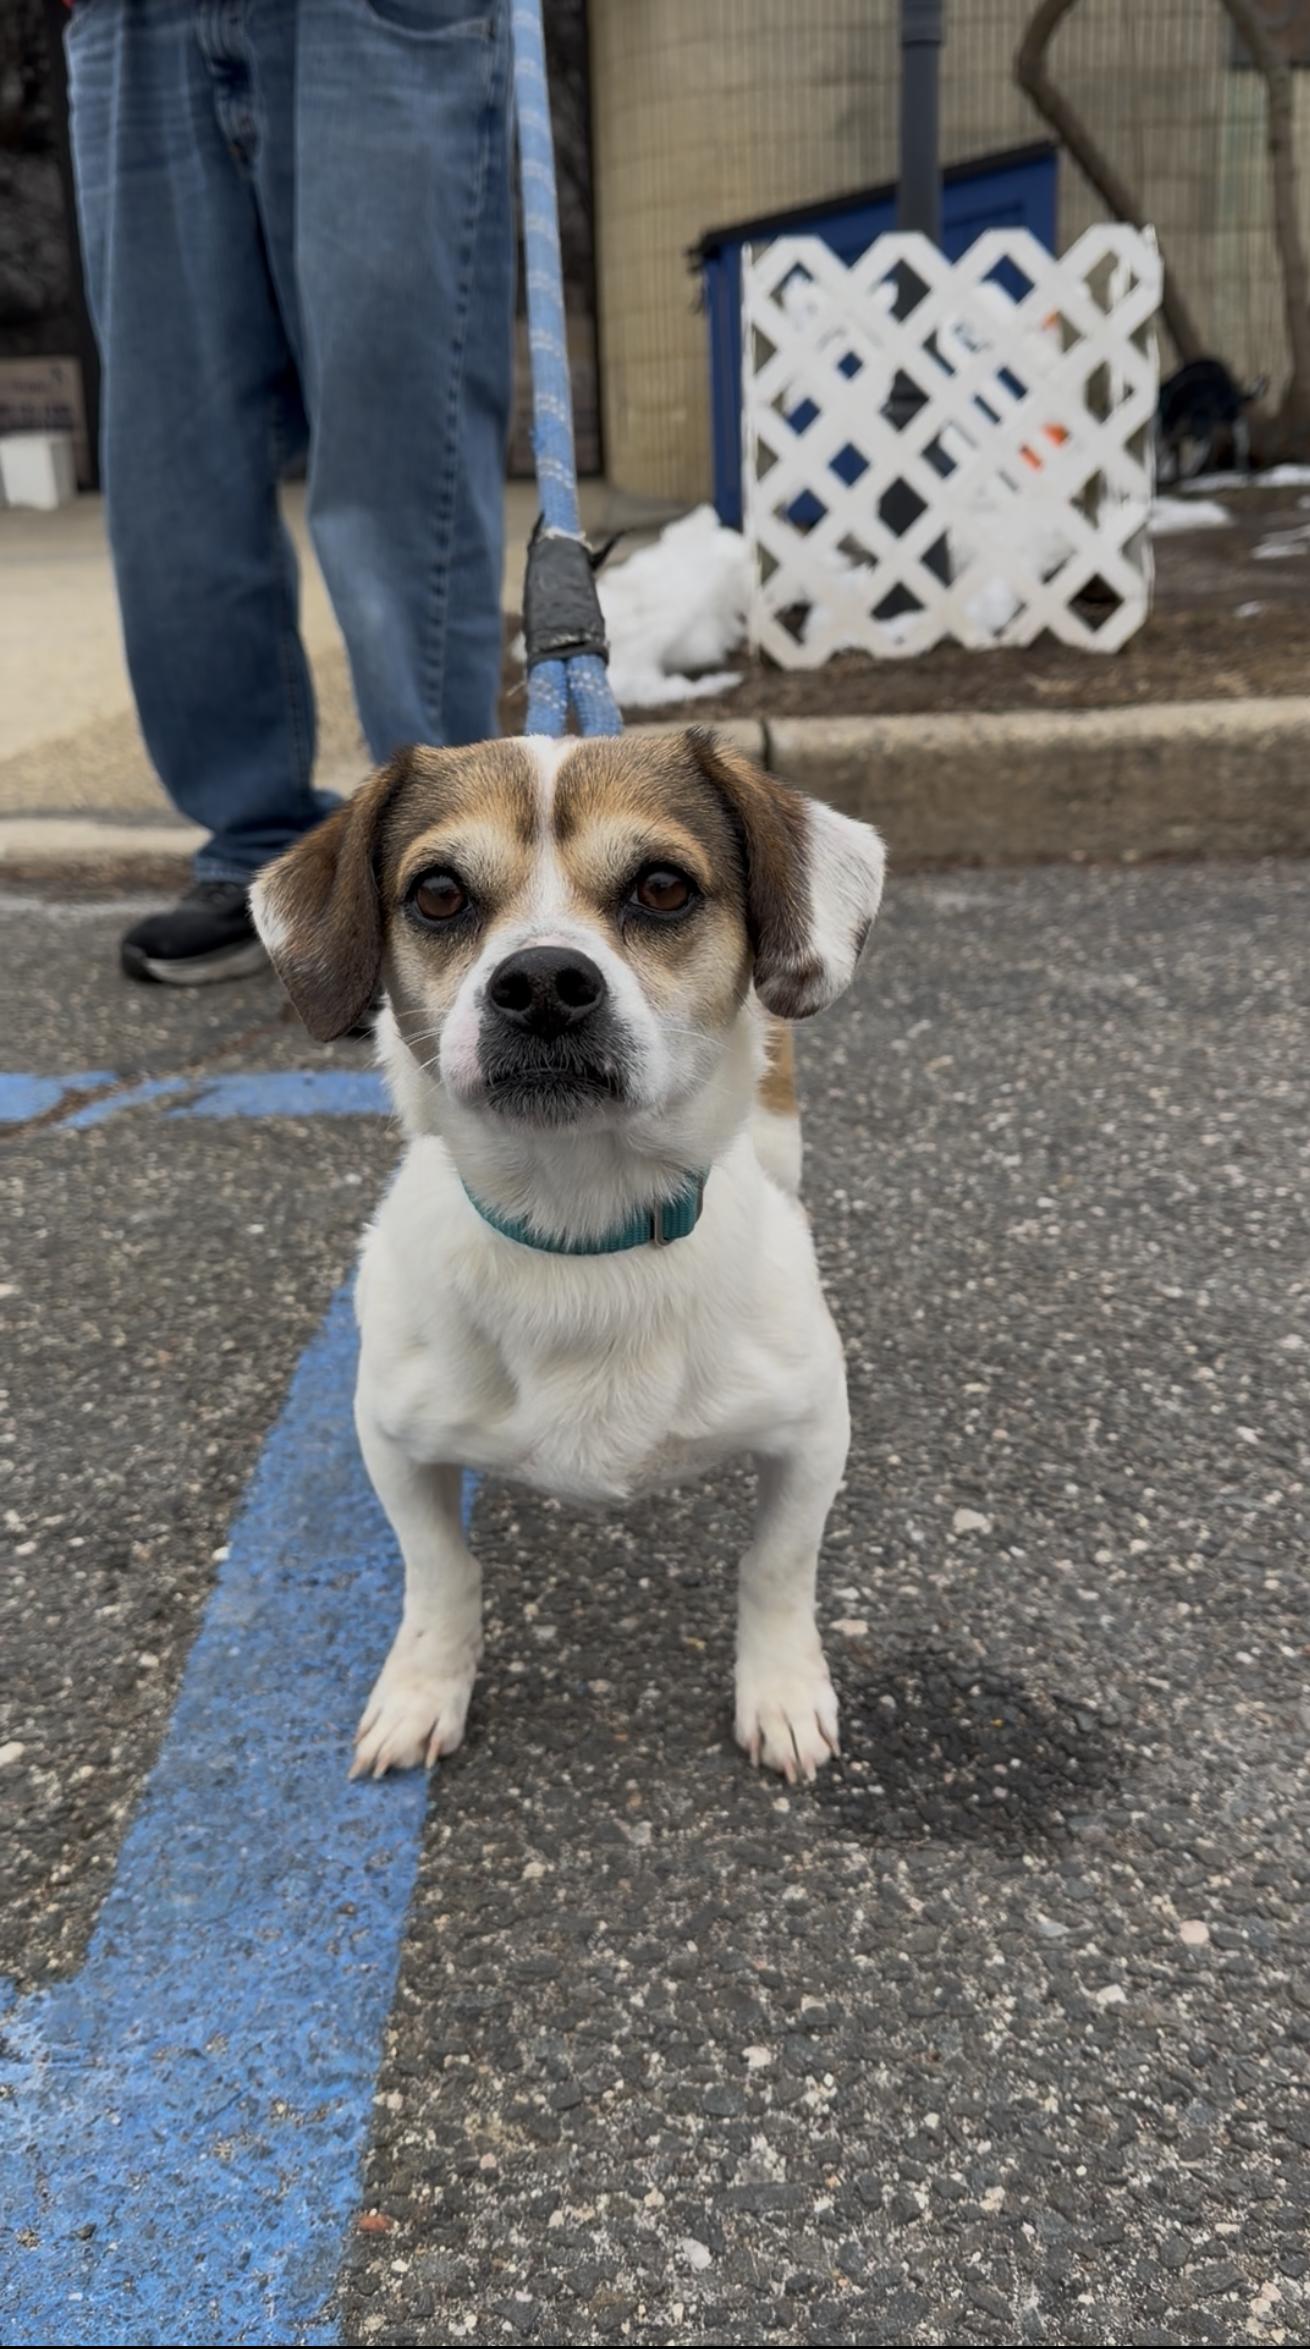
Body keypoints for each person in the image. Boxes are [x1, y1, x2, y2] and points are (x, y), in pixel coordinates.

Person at [64, 0, 514, 984]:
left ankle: (446, 865)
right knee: (169, 474)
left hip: (379, 21)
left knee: (400, 453)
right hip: (132, 21)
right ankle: (255, 847)